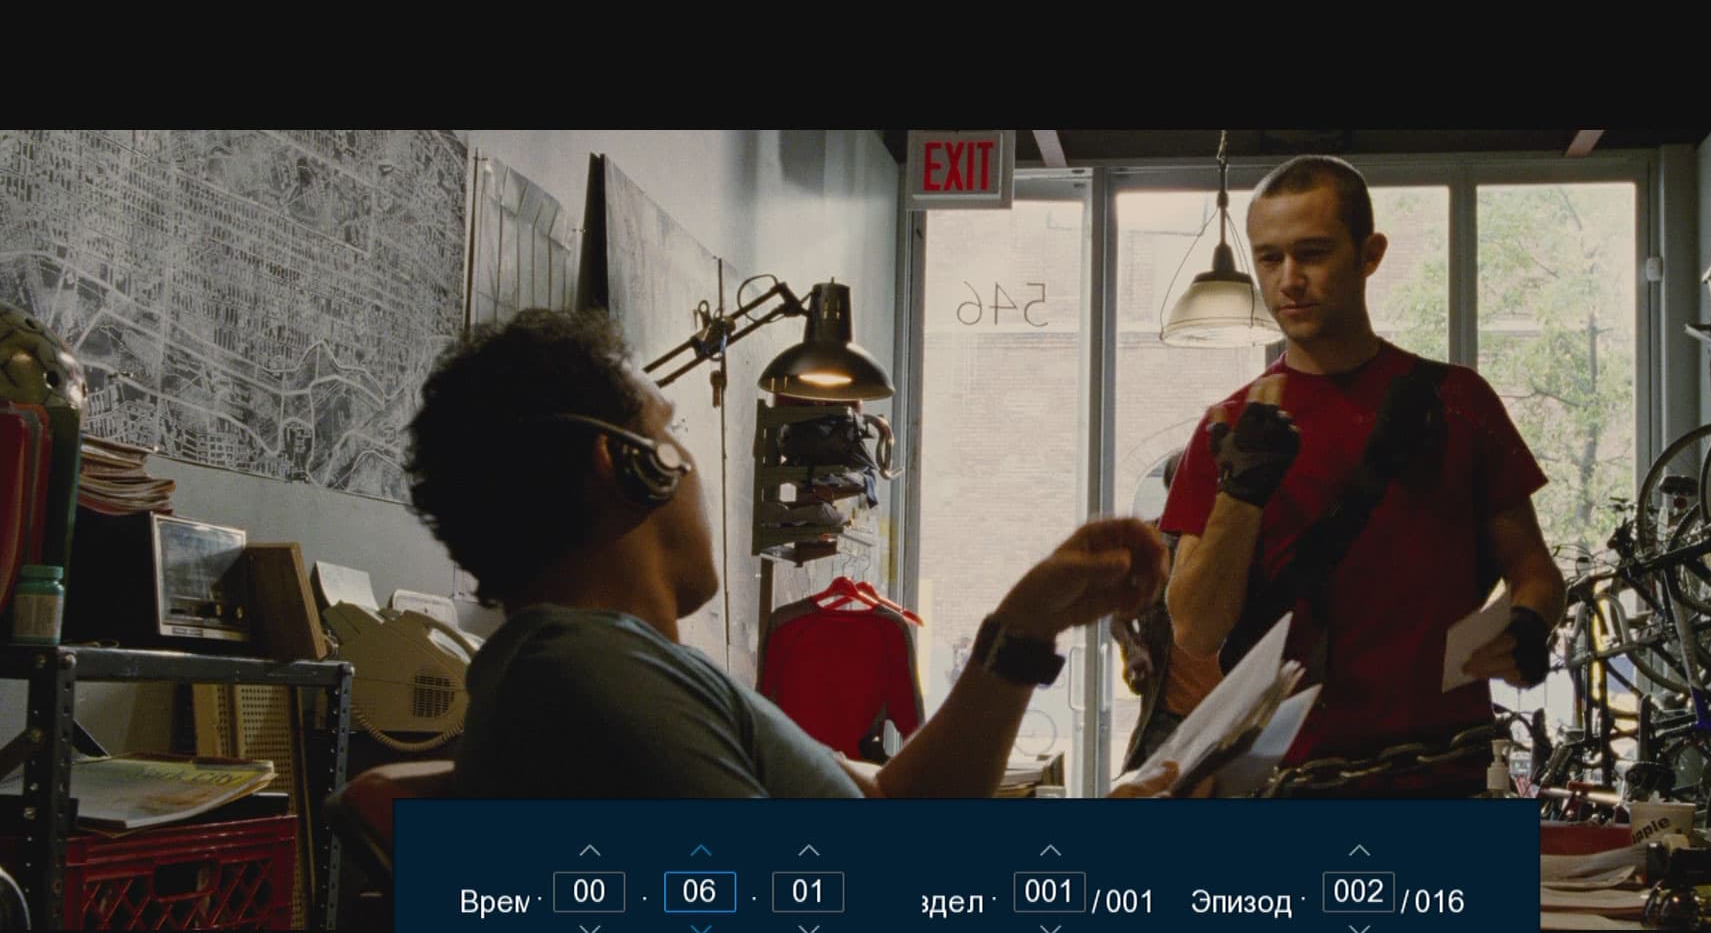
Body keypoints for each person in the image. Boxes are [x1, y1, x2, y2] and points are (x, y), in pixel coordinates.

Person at [406, 309, 1178, 800]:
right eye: (670, 431)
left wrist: (1026, 625)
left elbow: (895, 807)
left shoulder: (621, 669)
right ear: (629, 466)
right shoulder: (592, 677)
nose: (691, 463)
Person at [1162, 155, 1566, 797]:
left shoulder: (1458, 402)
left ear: (1369, 254)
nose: (1290, 280)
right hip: (1285, 787)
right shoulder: (1229, 427)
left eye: (1313, 253)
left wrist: (1529, 624)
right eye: (1269, 259)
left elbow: (1535, 571)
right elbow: (1195, 629)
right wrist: (1241, 493)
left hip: (1446, 779)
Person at [1113, 452, 1223, 773]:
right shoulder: (1149, 544)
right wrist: (1132, 648)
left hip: (1230, 711)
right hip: (1169, 718)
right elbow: (1116, 611)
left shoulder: (1234, 542)